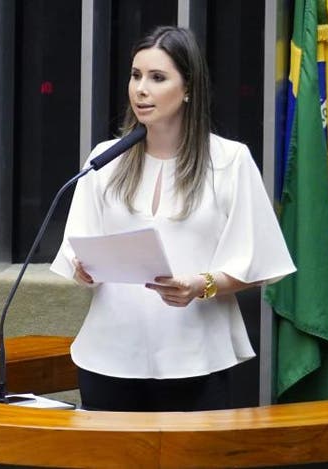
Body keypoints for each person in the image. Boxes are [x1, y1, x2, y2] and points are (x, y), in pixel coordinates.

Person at [50, 26, 295, 412]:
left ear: (188, 88)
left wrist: (202, 284)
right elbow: (78, 252)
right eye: (135, 75)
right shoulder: (104, 158)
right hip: (109, 355)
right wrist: (83, 270)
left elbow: (258, 261)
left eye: (157, 78)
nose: (140, 89)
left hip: (195, 356)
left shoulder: (229, 160)